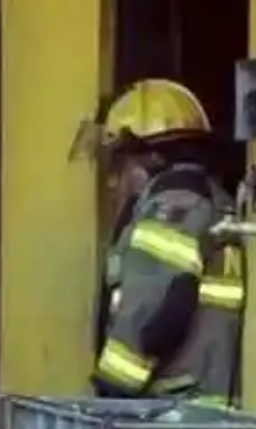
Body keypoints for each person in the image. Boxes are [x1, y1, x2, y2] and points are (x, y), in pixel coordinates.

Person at [73, 79, 245, 404]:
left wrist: (111, 394)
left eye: (118, 165)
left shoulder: (172, 208)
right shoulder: (209, 201)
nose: (112, 183)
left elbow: (151, 313)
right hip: (200, 414)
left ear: (149, 159)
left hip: (171, 419)